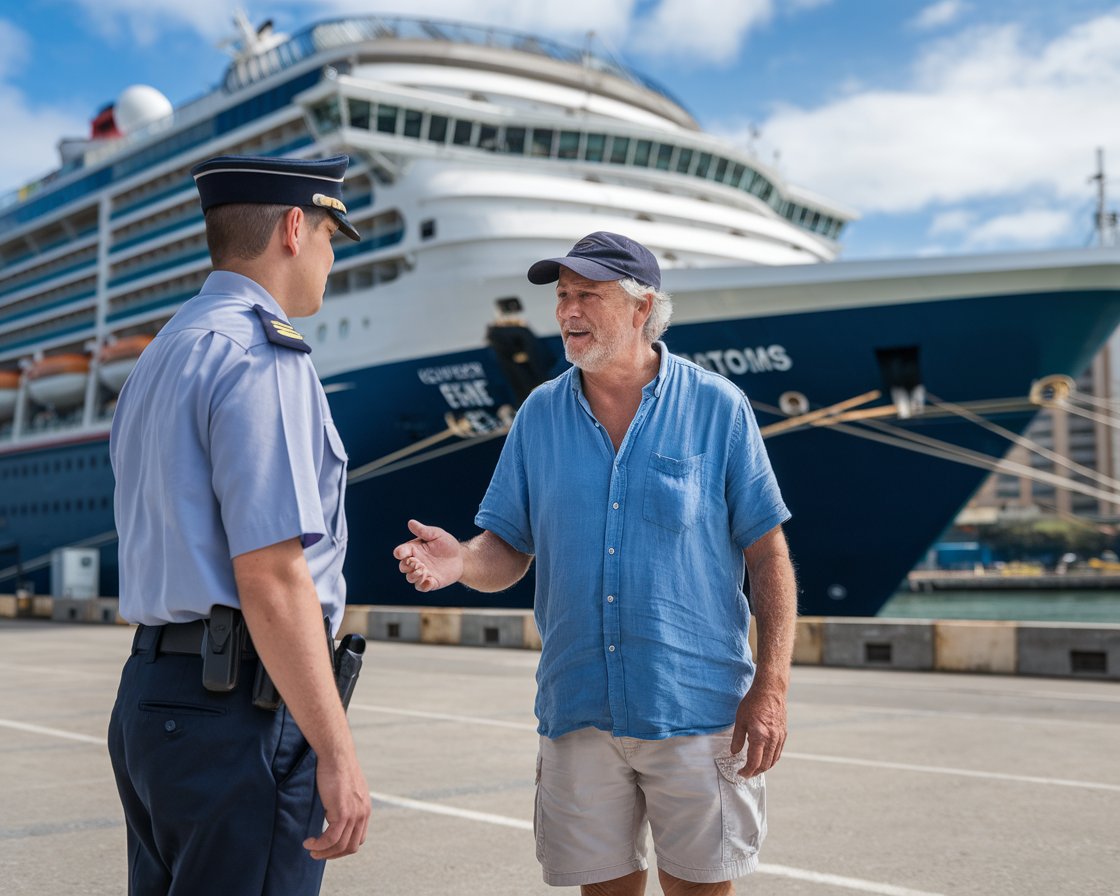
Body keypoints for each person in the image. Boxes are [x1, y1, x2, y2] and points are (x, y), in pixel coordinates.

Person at [394, 231, 798, 895]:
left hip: (696, 709)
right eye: (562, 296)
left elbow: (769, 555)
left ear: (643, 309)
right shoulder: (538, 414)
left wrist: (772, 687)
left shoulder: (716, 406)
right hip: (577, 705)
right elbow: (508, 549)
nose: (566, 311)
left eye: (588, 295)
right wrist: (460, 561)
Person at [108, 154, 371, 896]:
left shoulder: (163, 354)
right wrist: (336, 748)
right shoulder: (262, 354)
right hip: (240, 716)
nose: (329, 258)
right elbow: (273, 573)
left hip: (151, 702)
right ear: (294, 228)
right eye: (329, 235)